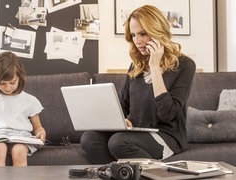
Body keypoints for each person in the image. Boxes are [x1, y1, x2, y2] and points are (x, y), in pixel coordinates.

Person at [80, 5, 196, 164]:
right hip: (136, 132)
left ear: (158, 32)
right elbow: (123, 105)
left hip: (166, 135)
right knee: (89, 138)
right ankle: (116, 174)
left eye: (143, 34)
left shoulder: (185, 65)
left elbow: (168, 114)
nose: (137, 41)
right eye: (134, 35)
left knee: (118, 142)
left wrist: (155, 67)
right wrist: (121, 120)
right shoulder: (136, 66)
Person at [0, 51, 46, 166]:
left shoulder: (30, 100)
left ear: (20, 78)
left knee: (19, 152)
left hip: (21, 137)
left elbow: (38, 127)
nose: (7, 87)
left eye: (12, 82)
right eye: (2, 83)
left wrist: (41, 132)